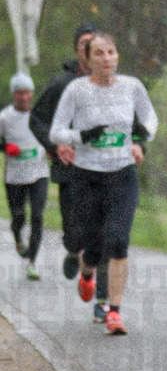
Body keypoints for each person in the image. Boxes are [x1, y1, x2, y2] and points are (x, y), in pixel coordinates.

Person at [49, 33, 158, 335]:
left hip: (122, 174)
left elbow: (150, 120)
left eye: (111, 52)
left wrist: (138, 141)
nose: (106, 58)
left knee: (119, 240)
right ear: (88, 59)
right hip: (87, 176)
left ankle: (114, 311)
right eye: (99, 53)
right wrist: (81, 137)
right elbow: (58, 131)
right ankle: (87, 274)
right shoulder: (76, 91)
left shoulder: (132, 87)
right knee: (93, 246)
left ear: (118, 55)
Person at [29, 22, 110, 320]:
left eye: (96, 45)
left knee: (103, 234)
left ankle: (102, 299)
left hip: (104, 171)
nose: (91, 52)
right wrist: (54, 145)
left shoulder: (114, 85)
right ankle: (74, 250)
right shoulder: (62, 84)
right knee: (75, 235)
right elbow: (37, 119)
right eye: (84, 45)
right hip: (70, 172)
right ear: (77, 50)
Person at [0, 73, 50, 280]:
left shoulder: (39, 115)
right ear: (14, 94)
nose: (23, 97)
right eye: (19, 93)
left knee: (37, 216)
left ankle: (32, 262)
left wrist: (52, 149)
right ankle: (18, 236)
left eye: (26, 92)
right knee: (19, 216)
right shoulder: (5, 118)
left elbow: (51, 135)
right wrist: (5, 147)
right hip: (14, 175)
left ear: (32, 93)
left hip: (39, 172)